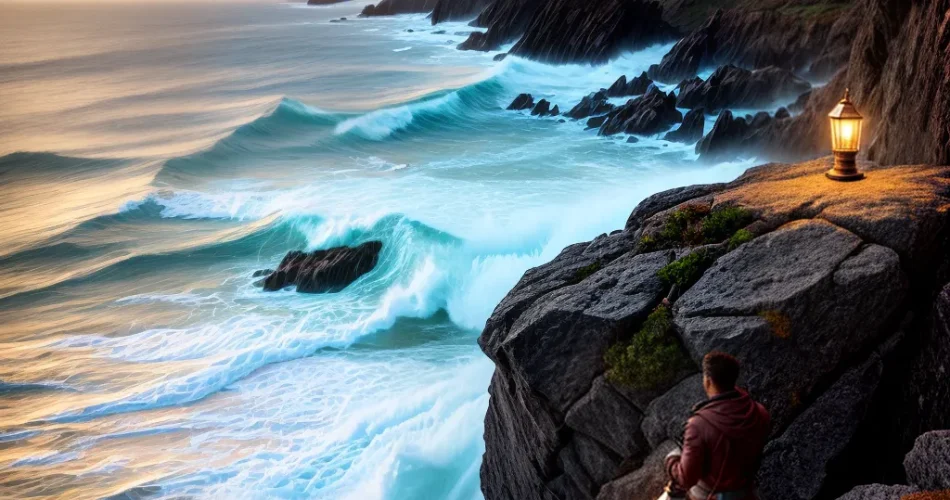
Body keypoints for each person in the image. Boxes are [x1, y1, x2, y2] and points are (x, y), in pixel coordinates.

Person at [664, 351, 771, 500]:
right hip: (748, 493)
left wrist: (672, 460)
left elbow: (687, 478)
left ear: (708, 381)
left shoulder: (698, 425)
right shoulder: (760, 412)